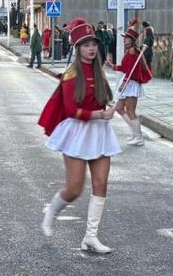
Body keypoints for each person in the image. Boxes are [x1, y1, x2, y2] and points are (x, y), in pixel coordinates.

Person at [38, 18, 121, 253]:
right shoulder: (72, 74)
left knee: (101, 184)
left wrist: (111, 109)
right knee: (74, 188)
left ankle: (90, 238)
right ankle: (51, 212)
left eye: (93, 43)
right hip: (77, 131)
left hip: (100, 131)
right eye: (86, 45)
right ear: (77, 48)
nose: (91, 48)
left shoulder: (100, 71)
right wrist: (99, 115)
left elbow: (102, 100)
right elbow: (70, 110)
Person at [113, 19, 152, 147]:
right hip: (127, 81)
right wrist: (114, 67)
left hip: (131, 83)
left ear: (131, 40)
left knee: (130, 111)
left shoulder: (133, 52)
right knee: (119, 108)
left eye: (126, 38)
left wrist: (124, 82)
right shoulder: (129, 51)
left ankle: (139, 137)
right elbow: (125, 68)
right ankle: (135, 132)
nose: (124, 40)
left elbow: (131, 70)